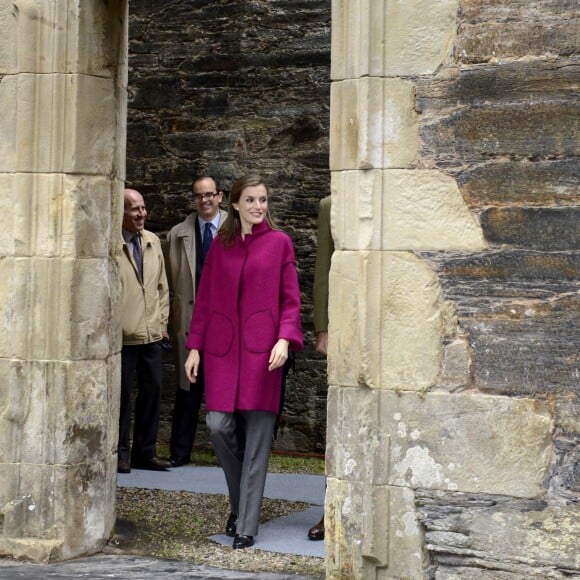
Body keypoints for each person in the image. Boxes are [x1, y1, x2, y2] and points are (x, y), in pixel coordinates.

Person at [184, 173, 303, 549]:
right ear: (233, 203)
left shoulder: (280, 243)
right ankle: (241, 504)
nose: (258, 207)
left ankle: (246, 523)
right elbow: (204, 299)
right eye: (250, 200)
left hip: (265, 354)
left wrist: (285, 339)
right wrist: (194, 347)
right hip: (222, 353)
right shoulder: (222, 245)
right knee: (218, 426)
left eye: (263, 200)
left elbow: (291, 300)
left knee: (257, 441)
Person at [166, 176, 227, 467]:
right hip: (190, 323)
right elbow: (166, 283)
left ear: (220, 197)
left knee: (226, 389)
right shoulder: (177, 235)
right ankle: (179, 453)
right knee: (187, 389)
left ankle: (229, 452)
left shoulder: (238, 230)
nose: (204, 200)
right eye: (198, 195)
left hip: (226, 324)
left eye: (209, 195)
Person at [118, 188, 172, 474]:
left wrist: (162, 322)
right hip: (124, 337)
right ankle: (120, 454)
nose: (142, 213)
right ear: (120, 212)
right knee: (122, 397)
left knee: (152, 393)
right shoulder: (112, 245)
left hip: (151, 334)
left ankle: (145, 452)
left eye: (143, 207)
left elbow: (162, 287)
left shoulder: (152, 241)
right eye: (134, 209)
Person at [307, 194, 333, 541]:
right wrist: (323, 327)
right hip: (346, 326)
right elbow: (323, 271)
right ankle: (332, 512)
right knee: (337, 424)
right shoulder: (329, 205)